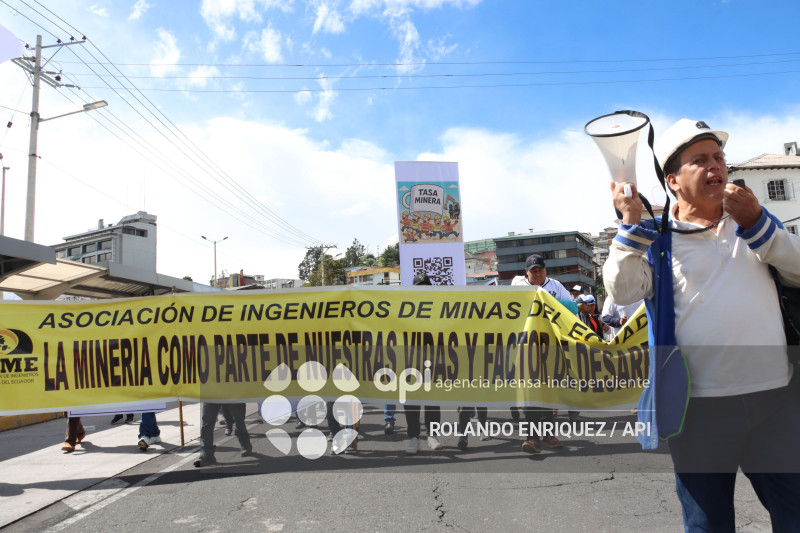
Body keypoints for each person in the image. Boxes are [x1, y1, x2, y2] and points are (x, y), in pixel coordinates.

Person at [604, 117, 800, 531]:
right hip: (699, 414)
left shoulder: (755, 223)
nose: (717, 167)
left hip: (777, 403)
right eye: (701, 160)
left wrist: (759, 224)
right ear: (673, 181)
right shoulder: (656, 240)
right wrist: (628, 224)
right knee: (708, 524)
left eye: (719, 157)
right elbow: (621, 292)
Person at [512, 254, 569, 452]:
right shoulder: (517, 287)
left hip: (551, 347)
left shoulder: (556, 286)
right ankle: (532, 438)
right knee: (530, 393)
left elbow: (571, 309)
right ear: (526, 272)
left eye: (540, 270)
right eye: (533, 271)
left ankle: (547, 434)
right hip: (527, 347)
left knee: (548, 392)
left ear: (546, 270)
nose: (537, 274)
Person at [404, 272, 443, 455]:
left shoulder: (439, 308)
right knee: (411, 401)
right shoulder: (404, 309)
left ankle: (432, 435)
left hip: (433, 360)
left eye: (426, 286)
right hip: (410, 361)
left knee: (433, 400)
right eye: (419, 286)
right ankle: (413, 438)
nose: (423, 289)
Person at [194, 402, 253, 467]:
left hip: (231, 394)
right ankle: (207, 455)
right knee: (207, 423)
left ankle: (245, 444)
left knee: (238, 420)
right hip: (211, 395)